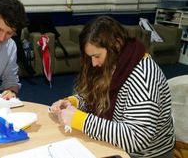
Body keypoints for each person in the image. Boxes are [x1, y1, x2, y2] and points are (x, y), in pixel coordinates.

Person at [49, 16, 175, 158]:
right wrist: (75, 102)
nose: (94, 63)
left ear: (116, 44)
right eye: (90, 57)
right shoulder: (114, 61)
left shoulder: (143, 76)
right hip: (117, 145)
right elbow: (94, 97)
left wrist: (81, 120)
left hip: (146, 154)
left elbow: (137, 139)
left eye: (97, 56)